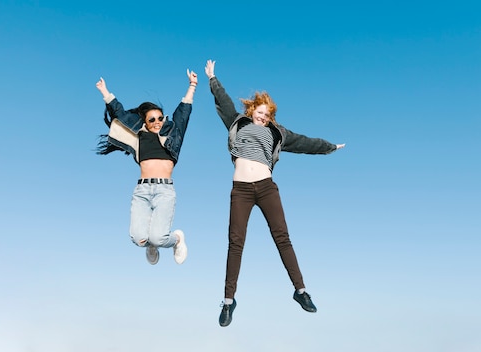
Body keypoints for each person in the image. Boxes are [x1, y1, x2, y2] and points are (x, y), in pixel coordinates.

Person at [204, 59, 346, 327]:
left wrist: (329, 147)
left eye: (268, 114)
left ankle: (301, 291)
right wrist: (213, 79)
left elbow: (305, 142)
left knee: (283, 237)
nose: (264, 117)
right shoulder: (237, 123)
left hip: (267, 188)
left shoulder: (277, 133)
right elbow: (223, 102)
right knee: (236, 242)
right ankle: (228, 301)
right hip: (241, 190)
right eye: (260, 112)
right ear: (252, 110)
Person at [95, 69, 198, 265]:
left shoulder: (172, 135)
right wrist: (105, 92)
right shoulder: (139, 136)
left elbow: (183, 112)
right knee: (138, 238)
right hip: (142, 190)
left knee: (159, 237)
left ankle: (177, 239)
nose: (157, 122)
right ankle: (150, 245)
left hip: (165, 190)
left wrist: (192, 86)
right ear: (146, 122)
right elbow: (120, 113)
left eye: (160, 118)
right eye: (152, 119)